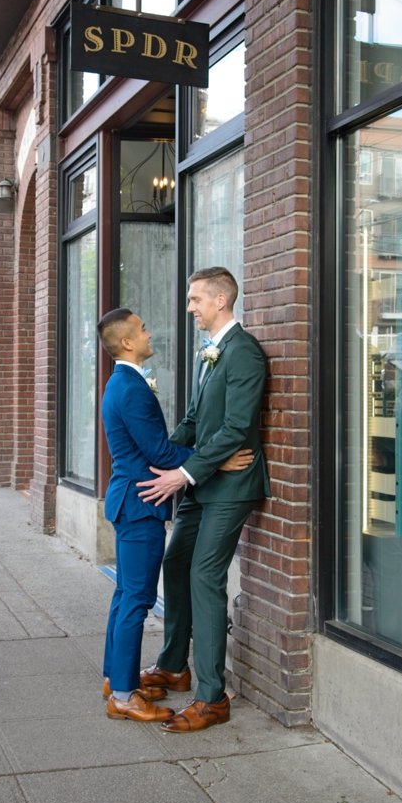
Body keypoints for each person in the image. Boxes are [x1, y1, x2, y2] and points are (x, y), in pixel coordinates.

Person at [97, 307, 252, 722]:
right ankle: (126, 695)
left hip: (131, 498)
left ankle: (116, 678)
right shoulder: (130, 389)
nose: (150, 333)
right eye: (144, 328)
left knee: (125, 595)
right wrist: (216, 461)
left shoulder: (122, 383)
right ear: (128, 342)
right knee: (137, 598)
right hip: (140, 501)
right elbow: (161, 453)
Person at [137, 266, 269, 732]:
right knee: (175, 565)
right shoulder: (208, 353)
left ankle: (212, 696)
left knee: (204, 574)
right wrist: (162, 459)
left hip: (232, 486)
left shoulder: (244, 353)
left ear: (220, 301)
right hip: (200, 480)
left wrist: (184, 472)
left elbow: (236, 428)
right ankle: (174, 665)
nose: (189, 307)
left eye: (195, 300)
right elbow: (194, 421)